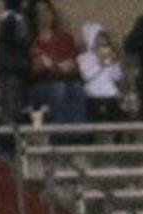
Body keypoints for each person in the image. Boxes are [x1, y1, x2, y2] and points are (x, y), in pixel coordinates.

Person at [29, 0, 87, 129]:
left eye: (47, 11)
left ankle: (78, 136)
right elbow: (35, 69)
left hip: (67, 80)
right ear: (34, 16)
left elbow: (75, 64)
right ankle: (59, 135)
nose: (44, 15)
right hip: (40, 86)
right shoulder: (32, 41)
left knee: (77, 88)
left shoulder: (64, 38)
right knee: (58, 88)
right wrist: (55, 67)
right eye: (39, 12)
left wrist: (65, 66)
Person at [0, 0, 32, 152]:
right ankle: (3, 146)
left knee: (15, 109)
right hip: (11, 69)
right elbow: (15, 44)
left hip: (15, 69)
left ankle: (9, 145)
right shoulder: (11, 19)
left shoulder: (17, 18)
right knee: (10, 109)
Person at [78, 22, 129, 122]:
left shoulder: (109, 56)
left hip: (111, 95)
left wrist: (114, 63)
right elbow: (86, 76)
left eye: (104, 37)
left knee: (118, 112)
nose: (103, 41)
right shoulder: (84, 58)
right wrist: (100, 64)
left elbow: (117, 77)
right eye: (99, 38)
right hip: (93, 96)